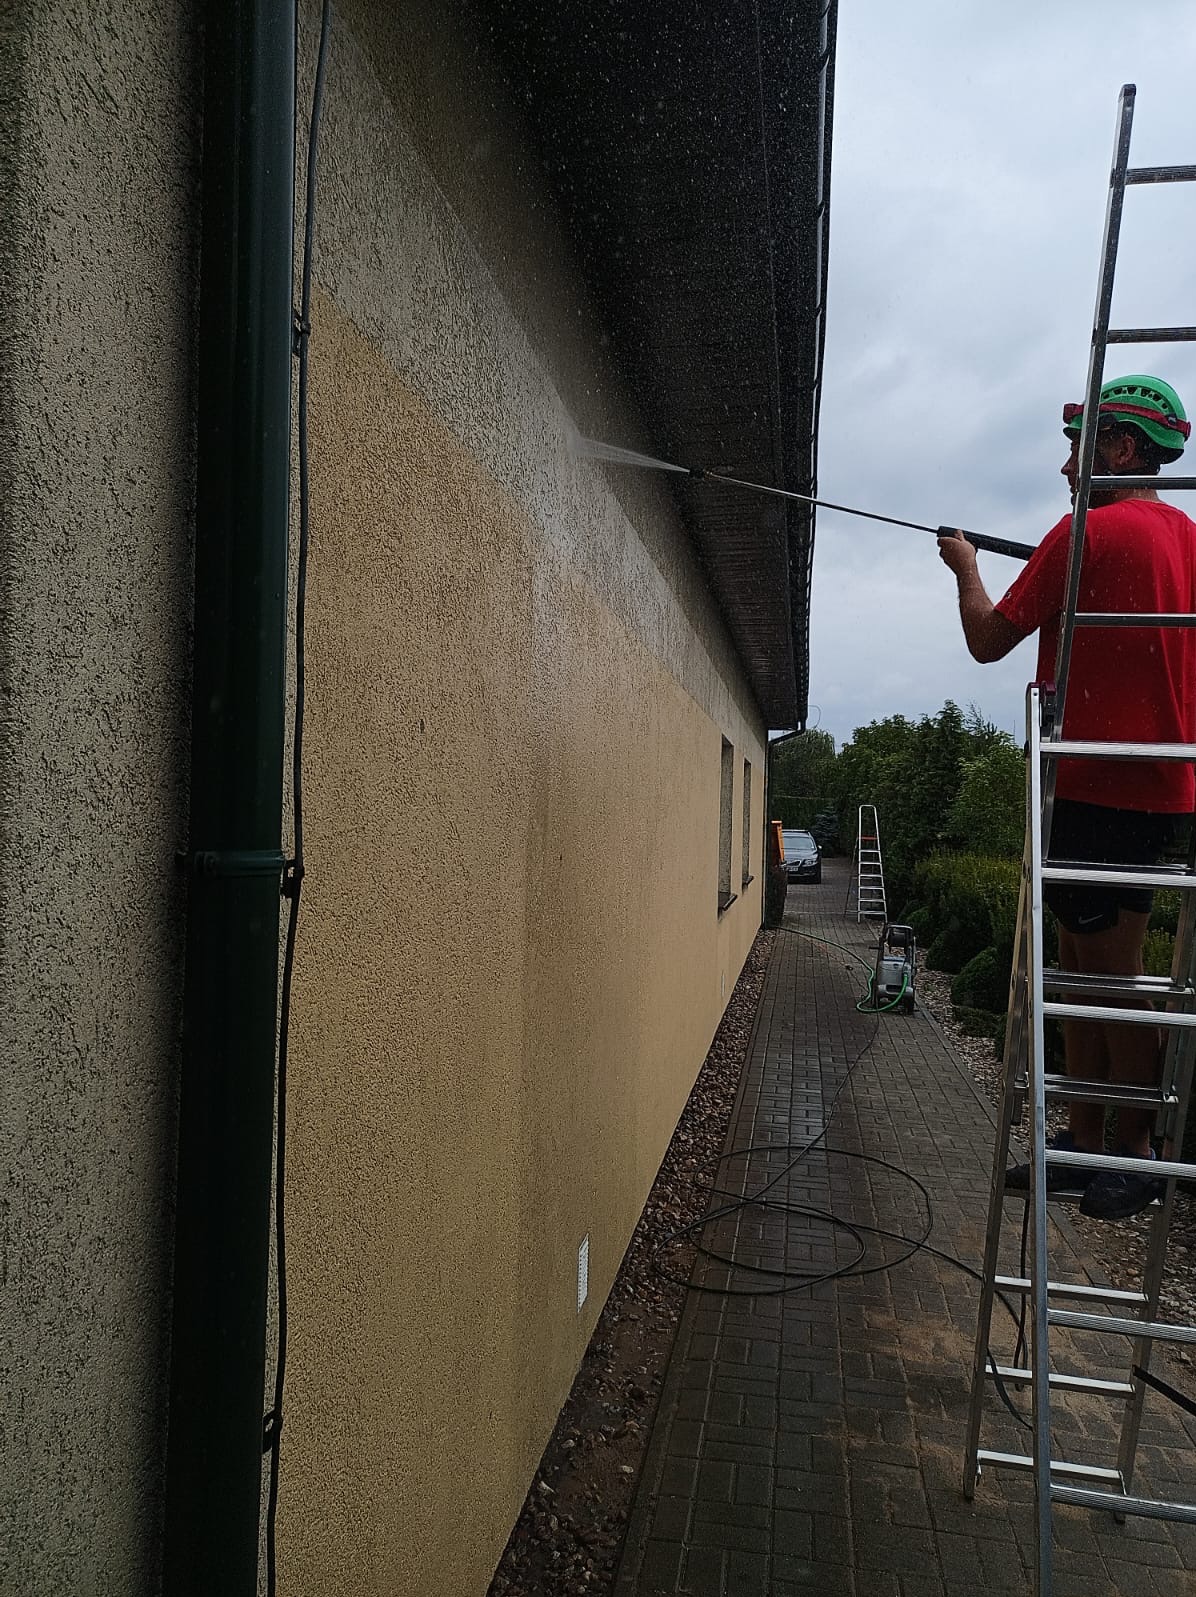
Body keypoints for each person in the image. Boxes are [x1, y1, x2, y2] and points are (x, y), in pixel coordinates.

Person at [937, 375, 1196, 1220]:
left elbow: (987, 639)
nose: (1065, 468)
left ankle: (1138, 1153)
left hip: (1094, 785)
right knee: (1083, 972)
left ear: (1121, 447)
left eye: (1078, 449)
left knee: (1108, 978)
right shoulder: (1186, 539)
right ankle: (1084, 1143)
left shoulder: (1083, 532)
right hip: (1160, 784)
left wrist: (967, 569)